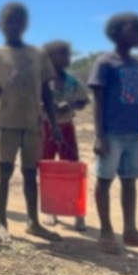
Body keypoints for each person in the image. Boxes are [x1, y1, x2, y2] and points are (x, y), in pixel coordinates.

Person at [0, 2, 62, 243]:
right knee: (5, 172)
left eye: (19, 19)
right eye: (10, 20)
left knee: (31, 174)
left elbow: (47, 91)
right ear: (1, 24)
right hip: (7, 123)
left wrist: (55, 124)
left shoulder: (37, 55)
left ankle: (33, 223)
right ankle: (1, 223)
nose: (14, 24)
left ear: (25, 24)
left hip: (32, 124)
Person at [88, 13, 138, 254]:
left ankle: (130, 231)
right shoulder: (105, 63)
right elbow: (99, 100)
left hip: (134, 133)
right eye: (134, 30)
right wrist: (99, 135)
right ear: (116, 33)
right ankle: (106, 231)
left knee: (129, 181)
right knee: (105, 180)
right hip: (111, 133)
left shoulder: (136, 65)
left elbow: (131, 95)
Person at [40, 40, 90, 231]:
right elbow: (35, 103)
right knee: (48, 168)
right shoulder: (43, 83)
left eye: (68, 54)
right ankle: (50, 209)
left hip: (67, 128)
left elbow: (83, 101)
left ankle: (77, 212)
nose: (67, 58)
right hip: (46, 129)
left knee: (72, 169)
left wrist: (69, 105)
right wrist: (47, 106)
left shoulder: (72, 81)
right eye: (62, 54)